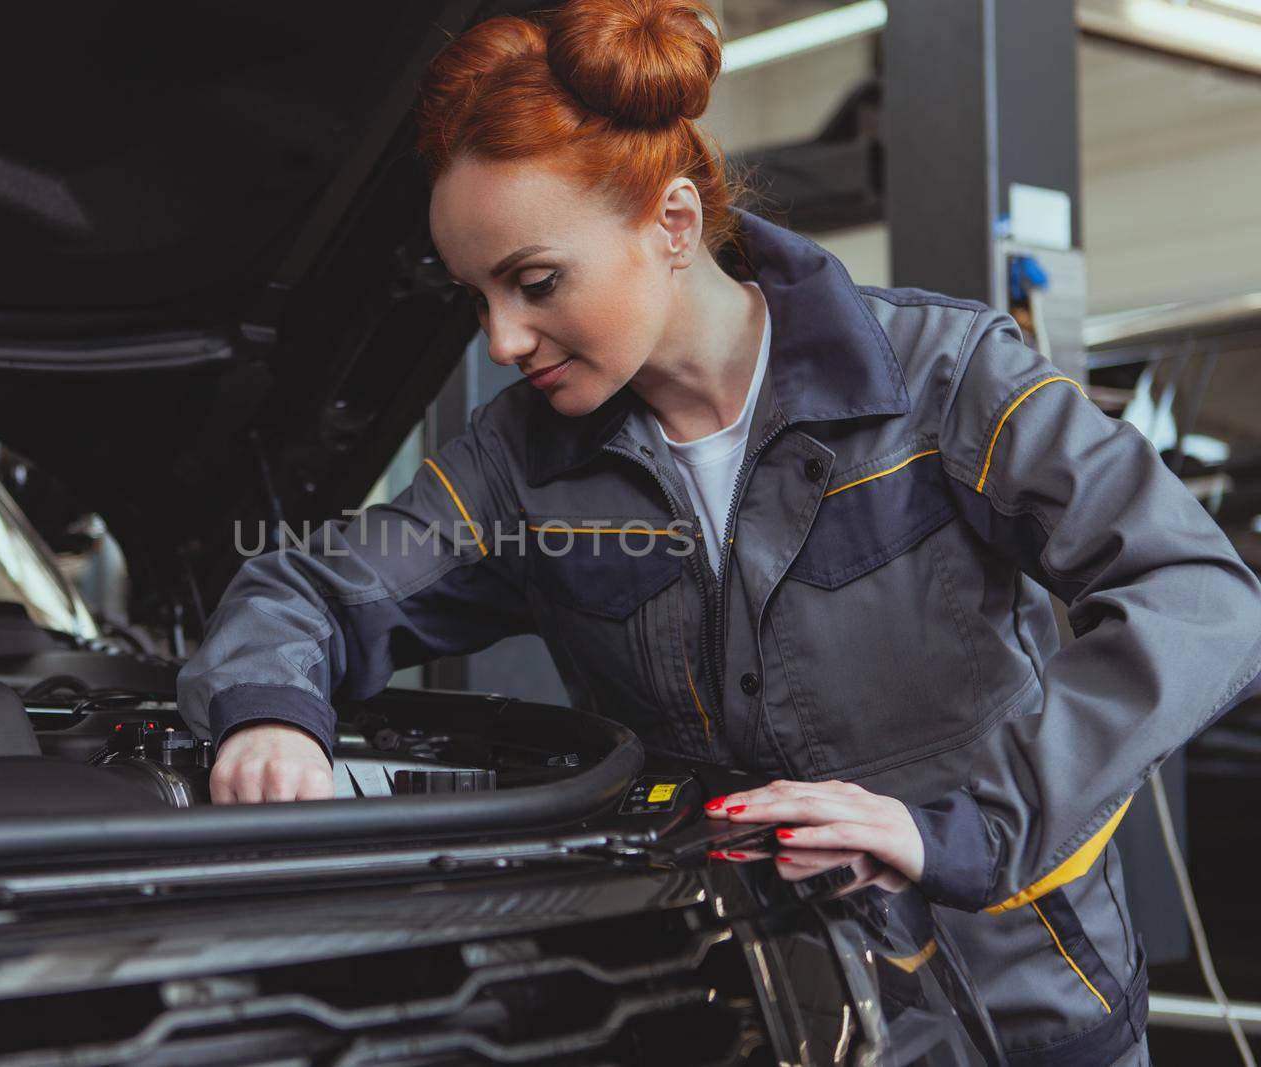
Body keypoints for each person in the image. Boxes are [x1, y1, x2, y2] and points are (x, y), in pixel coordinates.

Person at [177, 2, 1261, 1062]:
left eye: (535, 281)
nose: (502, 337)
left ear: (675, 224)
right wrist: (268, 713)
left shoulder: (944, 379)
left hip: (1022, 996)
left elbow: (1202, 598)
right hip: (750, 1002)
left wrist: (958, 822)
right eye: (477, 297)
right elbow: (309, 590)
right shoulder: (517, 467)